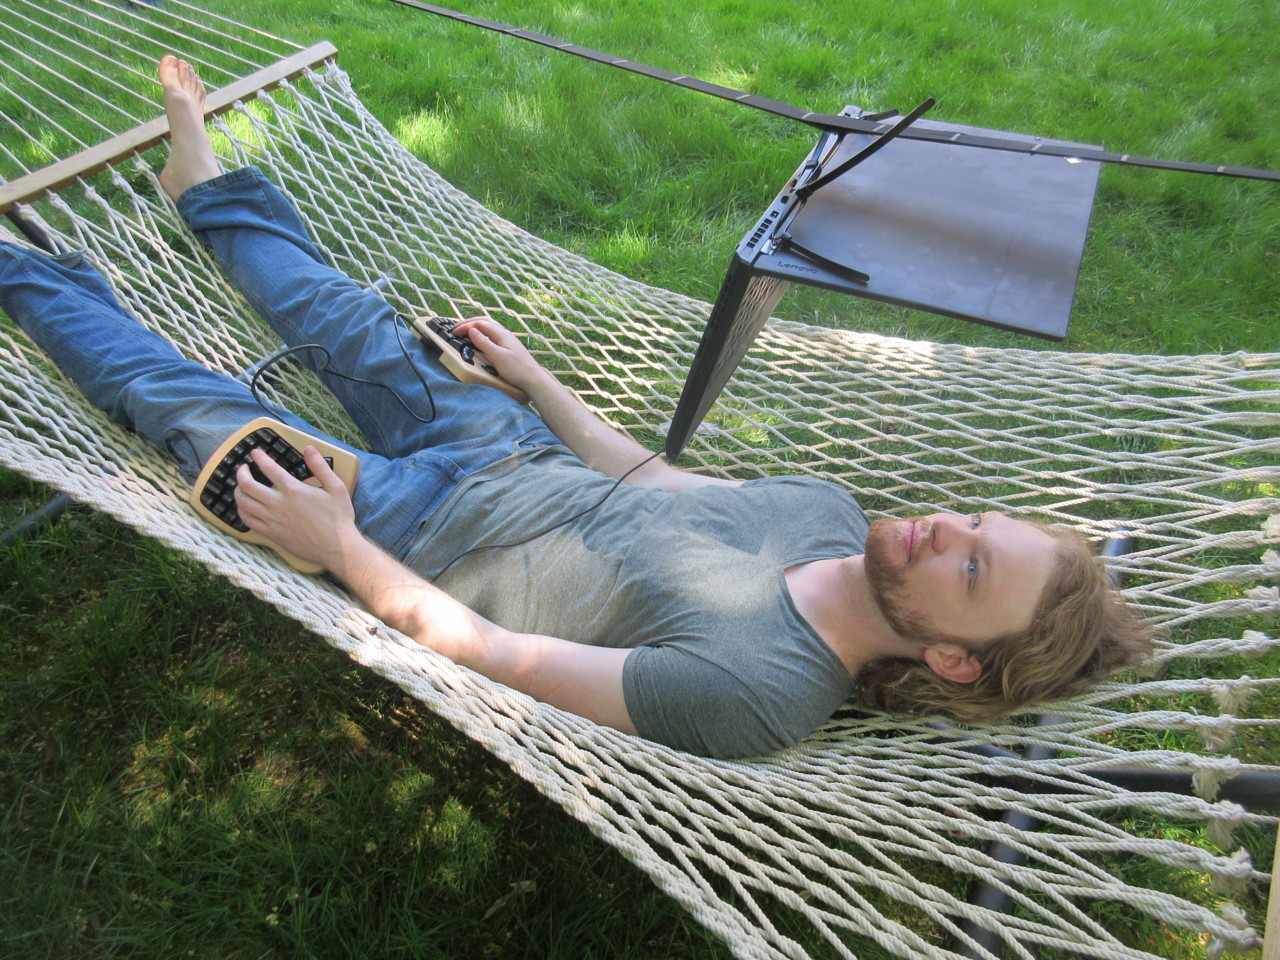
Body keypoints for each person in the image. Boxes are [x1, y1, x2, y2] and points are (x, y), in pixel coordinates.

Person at [0, 57, 1154, 758]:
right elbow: (645, 481)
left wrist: (337, 545)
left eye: (965, 569)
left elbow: (496, 653)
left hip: (410, 532)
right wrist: (531, 379)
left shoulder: (757, 694)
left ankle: (23, 272)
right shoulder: (823, 512)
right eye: (975, 523)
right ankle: (204, 189)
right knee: (338, 311)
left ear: (952, 662)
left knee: (179, 405)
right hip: (493, 442)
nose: (944, 528)